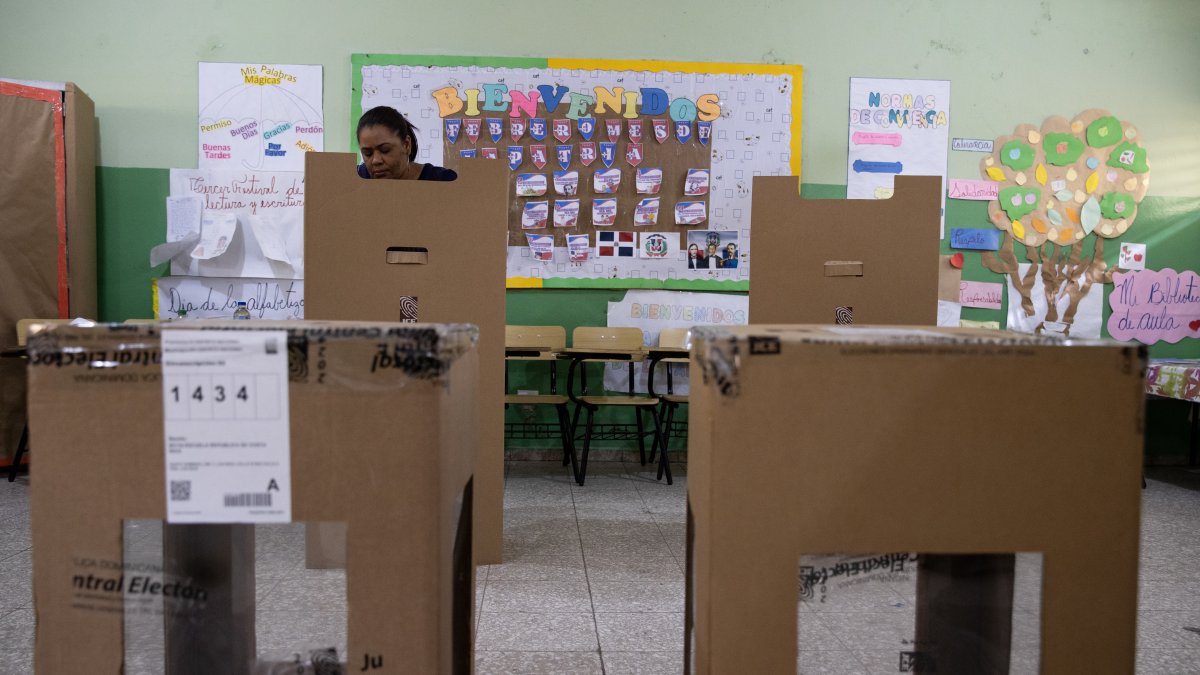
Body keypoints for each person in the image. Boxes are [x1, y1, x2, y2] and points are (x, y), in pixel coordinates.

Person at [357, 106, 457, 181]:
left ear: (406, 145)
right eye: (367, 153)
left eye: (385, 150)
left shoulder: (444, 181)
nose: (376, 160)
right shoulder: (355, 178)